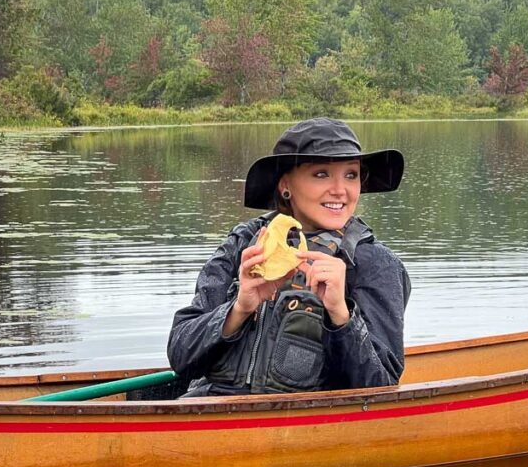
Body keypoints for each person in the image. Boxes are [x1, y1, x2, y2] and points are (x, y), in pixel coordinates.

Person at [167, 118, 409, 396]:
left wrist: (341, 315)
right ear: (286, 185)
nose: (340, 190)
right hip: (210, 411)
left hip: (303, 424)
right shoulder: (243, 243)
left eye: (351, 175)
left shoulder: (376, 264)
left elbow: (382, 390)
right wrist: (239, 309)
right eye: (322, 174)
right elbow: (179, 355)